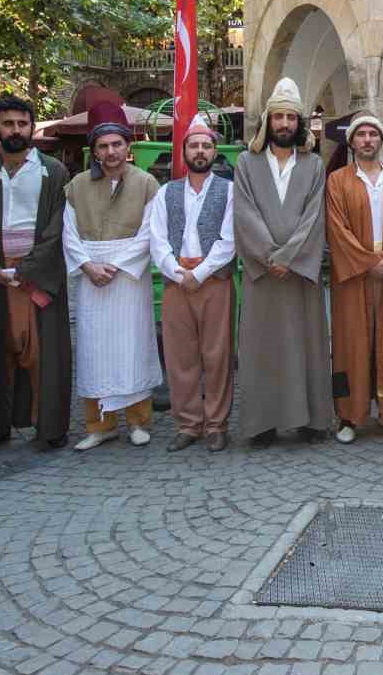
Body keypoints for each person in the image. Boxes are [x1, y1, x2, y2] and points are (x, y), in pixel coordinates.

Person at [0, 95, 73, 453]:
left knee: (42, 352)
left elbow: (58, 226)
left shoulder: (53, 172)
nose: (15, 130)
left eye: (22, 124)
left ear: (32, 127)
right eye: (8, 124)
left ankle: (50, 427)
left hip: (37, 272)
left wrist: (28, 268)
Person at [233, 79, 332, 447]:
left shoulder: (313, 164)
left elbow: (313, 218)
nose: (285, 124)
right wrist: (269, 257)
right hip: (265, 275)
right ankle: (263, 424)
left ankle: (312, 421)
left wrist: (289, 257)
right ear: (268, 121)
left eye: (292, 117)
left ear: (300, 122)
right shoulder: (246, 162)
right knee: (263, 350)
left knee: (307, 347)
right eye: (279, 117)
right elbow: (244, 214)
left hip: (298, 275)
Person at [63, 101, 162, 451]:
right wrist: (88, 266)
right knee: (94, 350)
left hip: (129, 280)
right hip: (92, 277)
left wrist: (117, 265)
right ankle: (100, 425)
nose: (111, 152)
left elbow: (150, 234)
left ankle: (138, 421)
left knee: (133, 346)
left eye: (116, 144)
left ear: (128, 146)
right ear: (94, 151)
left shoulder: (147, 183)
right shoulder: (76, 185)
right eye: (103, 146)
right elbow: (68, 234)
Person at [325, 113, 383, 443]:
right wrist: (367, 262)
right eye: (361, 135)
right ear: (351, 142)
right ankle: (348, 416)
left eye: (373, 134)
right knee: (350, 344)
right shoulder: (337, 181)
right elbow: (336, 229)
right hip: (353, 276)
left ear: (381, 140)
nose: (367, 139)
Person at [148, 120, 237, 452]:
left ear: (215, 152)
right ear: (184, 151)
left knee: (217, 355)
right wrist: (176, 271)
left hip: (214, 281)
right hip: (176, 282)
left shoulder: (229, 191)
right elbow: (156, 240)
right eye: (194, 146)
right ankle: (188, 424)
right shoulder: (165, 193)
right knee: (180, 357)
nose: (200, 151)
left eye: (206, 146)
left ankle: (216, 424)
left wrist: (198, 274)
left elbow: (230, 240)